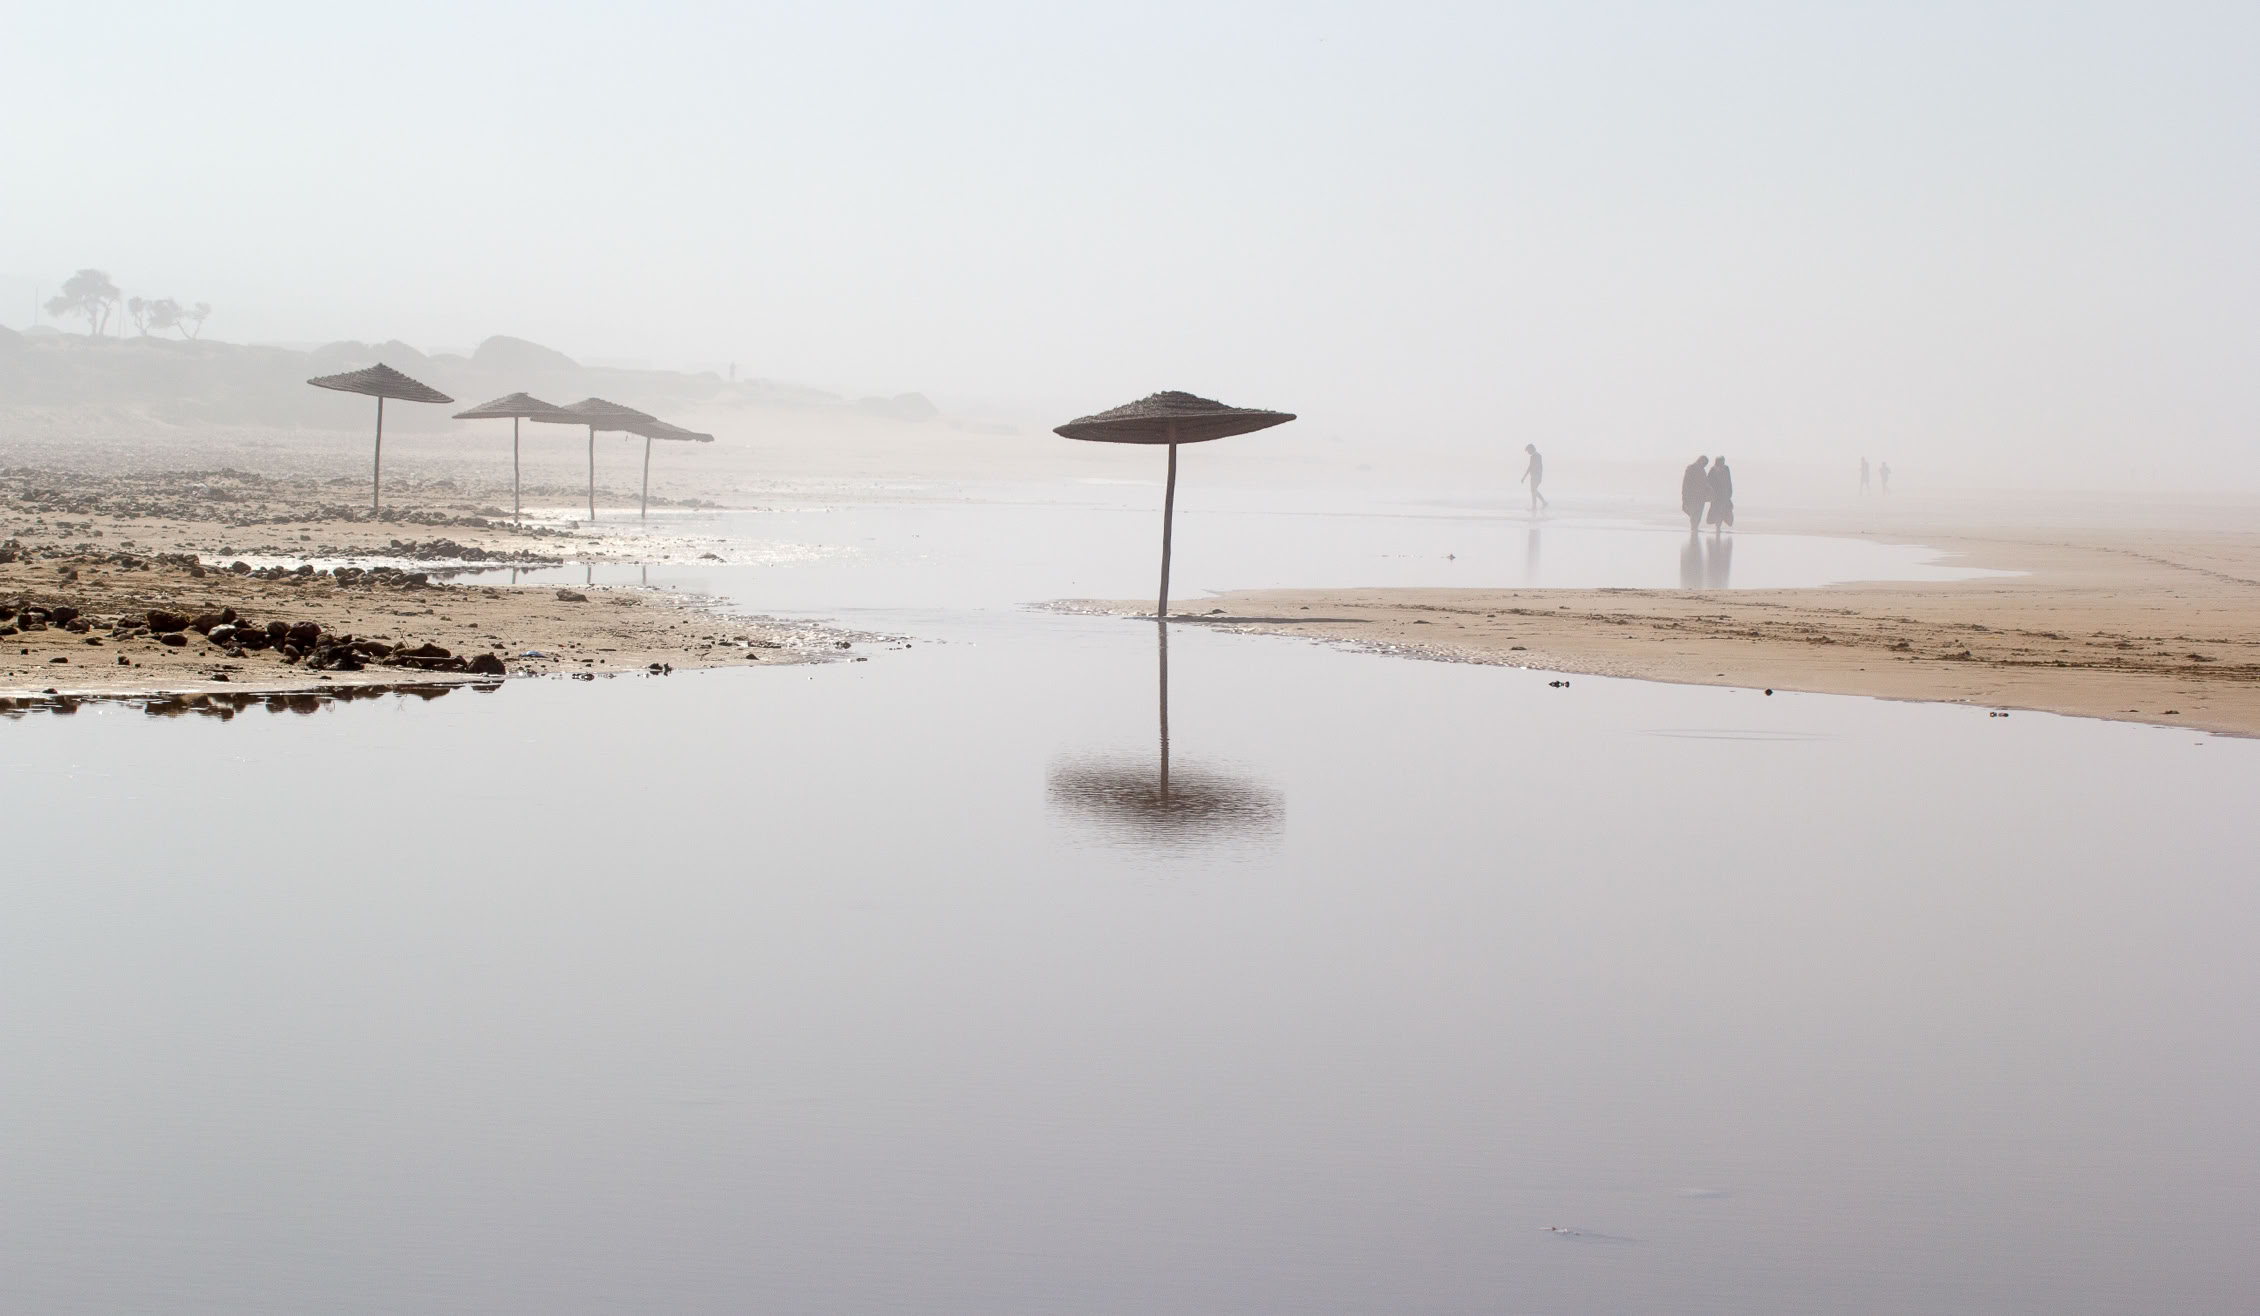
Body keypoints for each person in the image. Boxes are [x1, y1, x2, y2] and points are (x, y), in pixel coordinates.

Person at [1680, 456, 1711, 534]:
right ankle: (1694, 528)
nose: (1704, 465)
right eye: (1704, 463)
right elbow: (1686, 482)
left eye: (1705, 464)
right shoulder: (1691, 468)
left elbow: (1705, 482)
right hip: (1692, 495)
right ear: (1700, 460)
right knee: (1694, 512)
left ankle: (1695, 527)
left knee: (1699, 513)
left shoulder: (1702, 470)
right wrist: (1684, 495)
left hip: (1701, 496)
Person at [1707, 456, 1734, 533]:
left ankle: (1719, 526)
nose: (1723, 462)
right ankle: (1718, 527)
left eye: (1723, 461)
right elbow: (1709, 482)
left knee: (1725, 511)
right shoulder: (1713, 470)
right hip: (1716, 495)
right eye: (1721, 461)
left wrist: (1730, 492)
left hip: (1725, 494)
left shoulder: (1726, 468)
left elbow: (1729, 481)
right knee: (1717, 511)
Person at [1520, 443, 1549, 513]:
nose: (1528, 452)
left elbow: (1537, 467)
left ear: (1531, 449)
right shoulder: (1534, 456)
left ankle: (1536, 506)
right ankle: (1541, 504)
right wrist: (1524, 477)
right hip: (1534, 476)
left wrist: (1537, 476)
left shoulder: (1537, 456)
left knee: (1533, 491)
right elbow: (1530, 467)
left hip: (1536, 476)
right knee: (1534, 491)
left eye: (1528, 451)